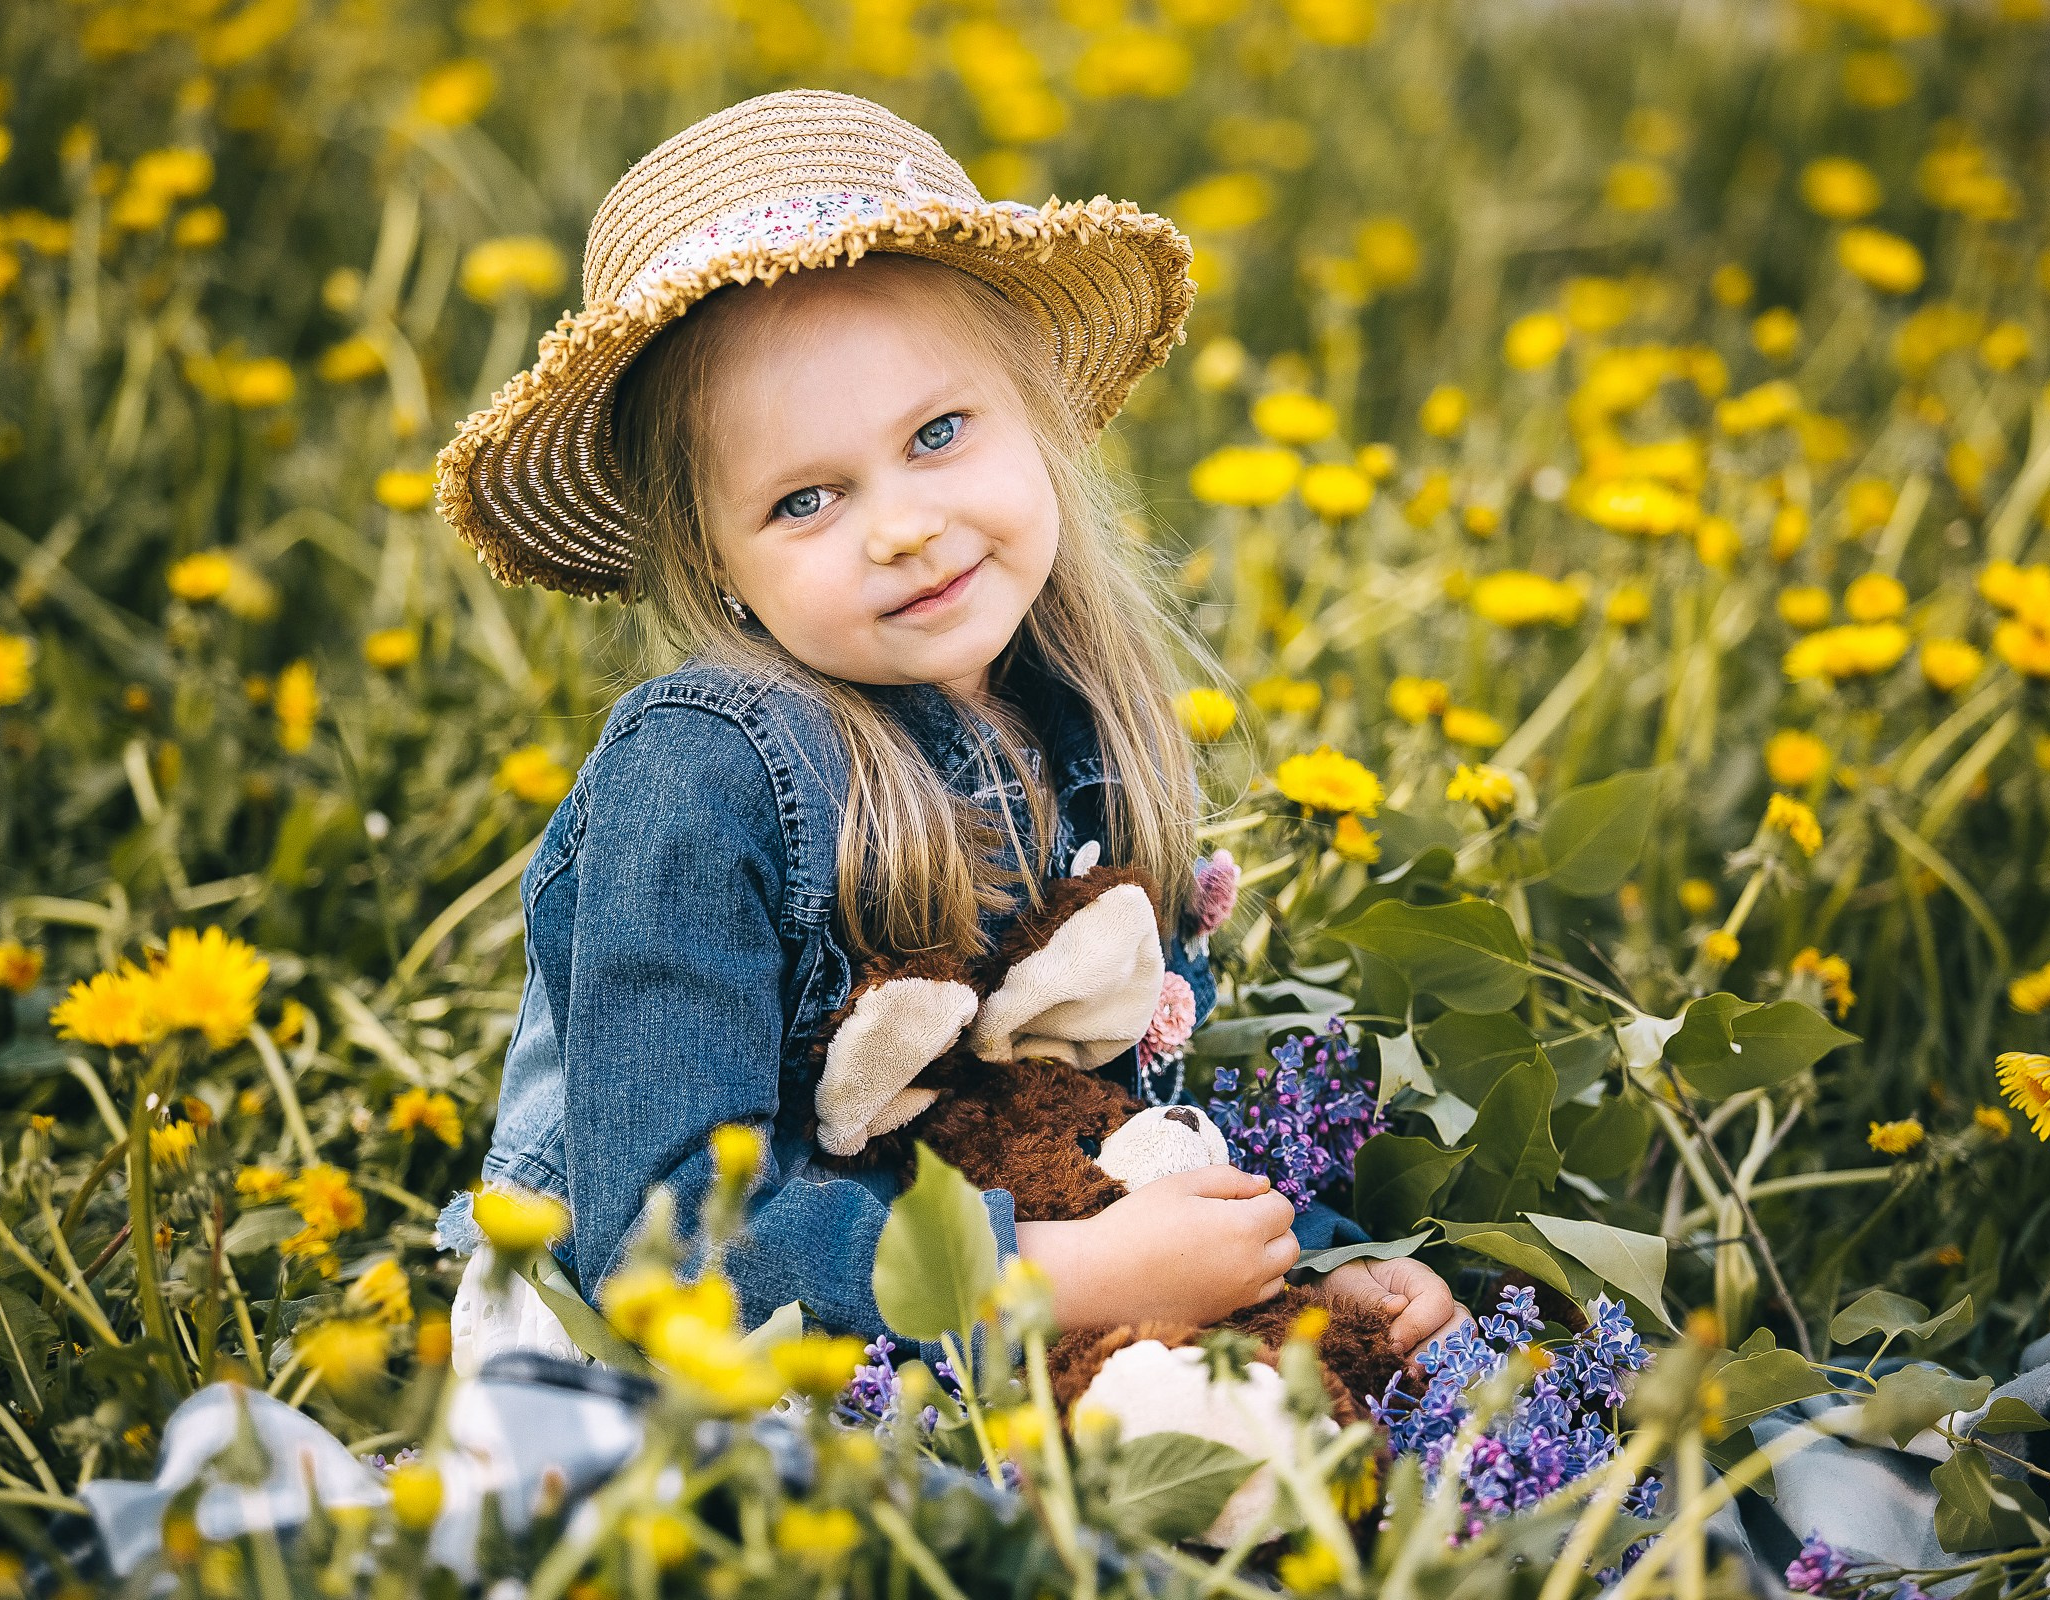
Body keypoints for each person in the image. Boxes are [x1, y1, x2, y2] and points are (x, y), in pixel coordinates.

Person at [428, 88, 1463, 1375]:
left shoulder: (1085, 721)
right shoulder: (699, 775)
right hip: (704, 1352)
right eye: (807, 497)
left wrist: (1304, 1254)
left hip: (1022, 1279)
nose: (903, 526)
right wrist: (1068, 1274)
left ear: (1033, 409)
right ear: (717, 560)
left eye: (936, 434)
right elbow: (665, 1244)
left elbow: (1109, 1122)